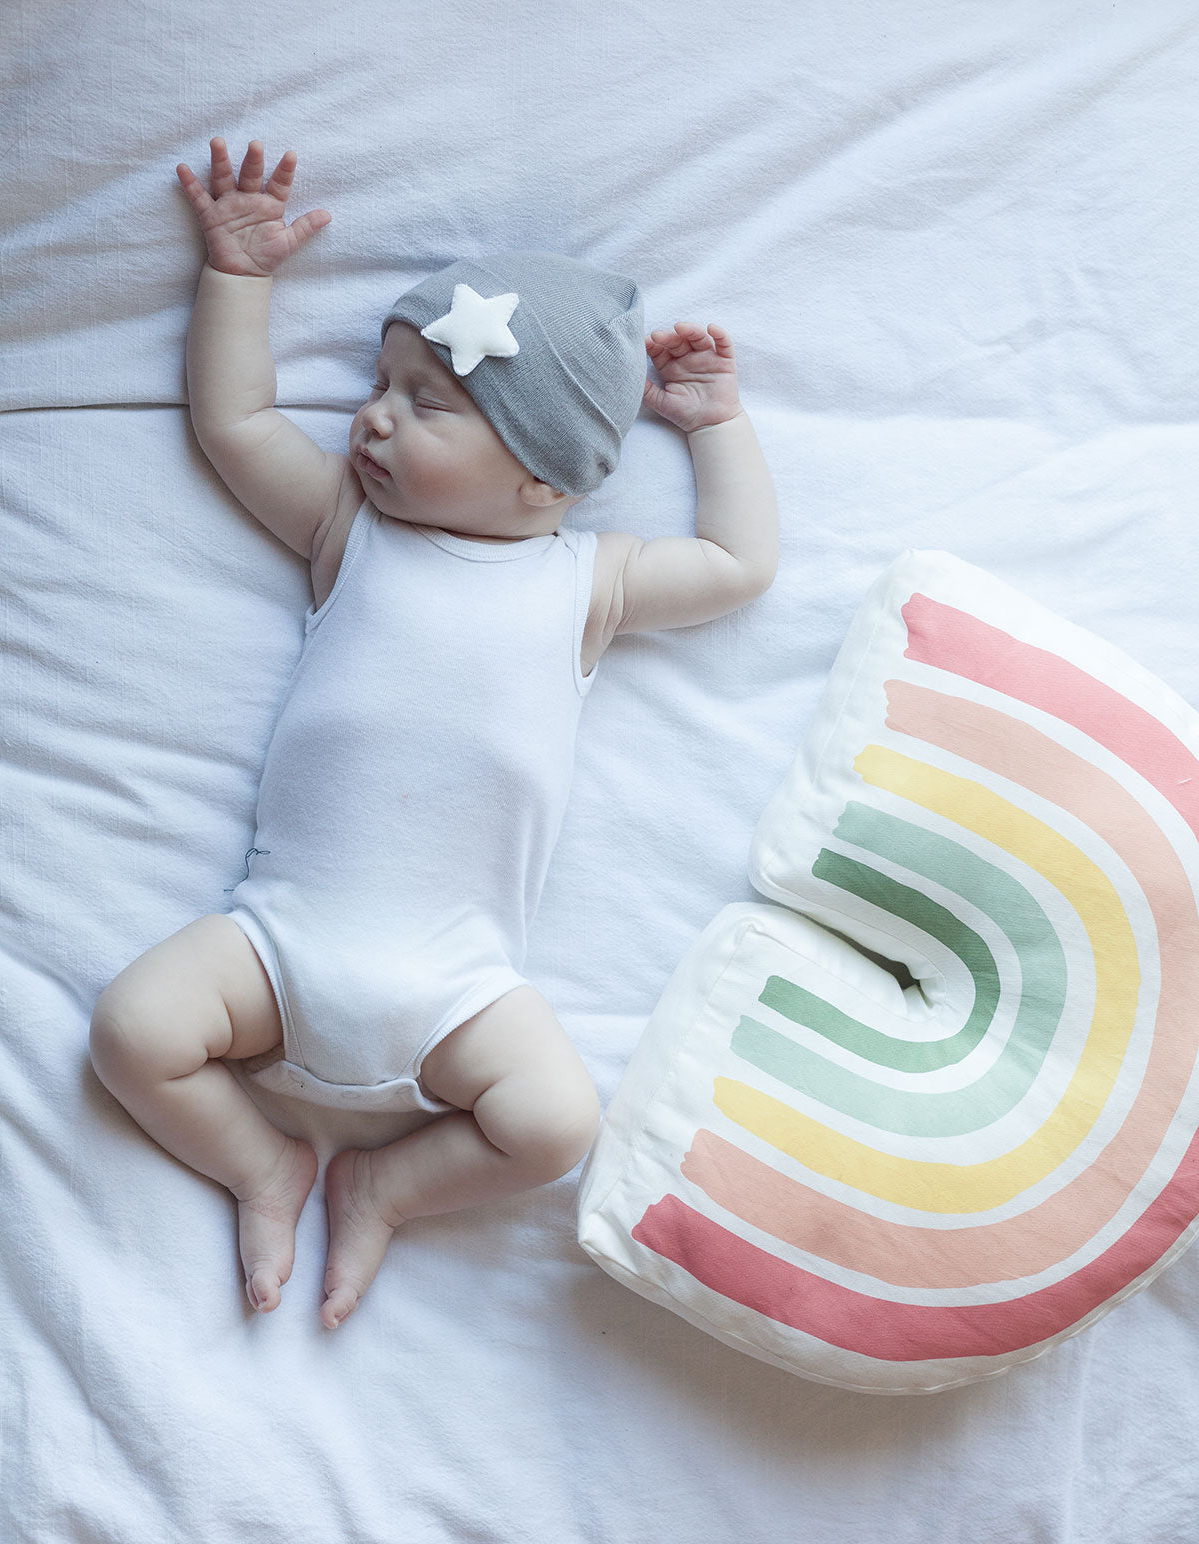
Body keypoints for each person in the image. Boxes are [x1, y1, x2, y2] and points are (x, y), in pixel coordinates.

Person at [88, 137, 779, 1329]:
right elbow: (236, 420)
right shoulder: (351, 529)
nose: (373, 419)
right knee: (132, 1031)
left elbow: (737, 564)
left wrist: (714, 424)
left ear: (544, 480)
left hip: (461, 987)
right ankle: (262, 1163)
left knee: (556, 1124)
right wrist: (239, 280)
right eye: (380, 383)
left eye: (428, 402)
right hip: (278, 939)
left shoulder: (587, 581)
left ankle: (390, 1187)